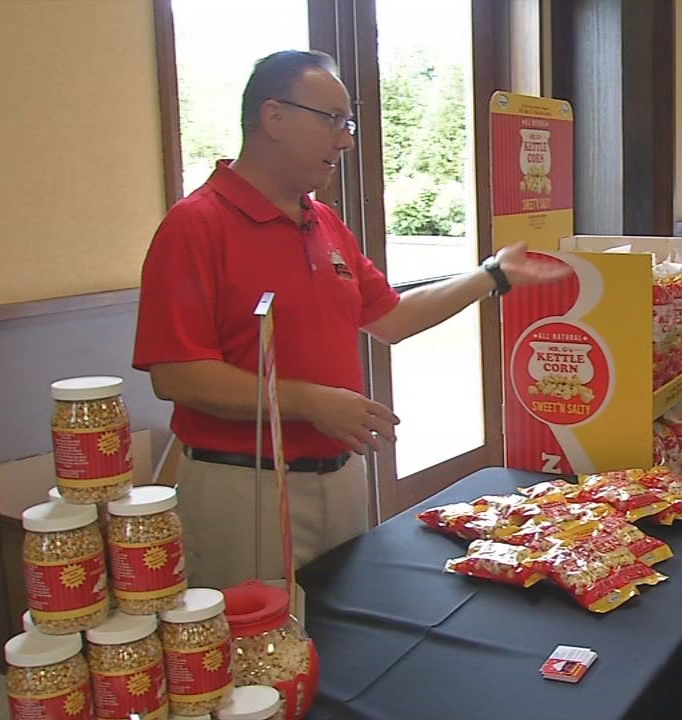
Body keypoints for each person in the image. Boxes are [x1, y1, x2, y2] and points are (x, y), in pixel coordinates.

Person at [132, 50, 565, 590]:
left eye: (348, 122)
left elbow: (391, 318)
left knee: (344, 642)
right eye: (331, 120)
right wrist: (311, 401)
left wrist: (493, 276)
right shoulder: (196, 225)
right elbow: (177, 373)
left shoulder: (324, 223)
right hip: (244, 487)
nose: (346, 140)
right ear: (273, 118)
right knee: (258, 658)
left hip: (339, 478)